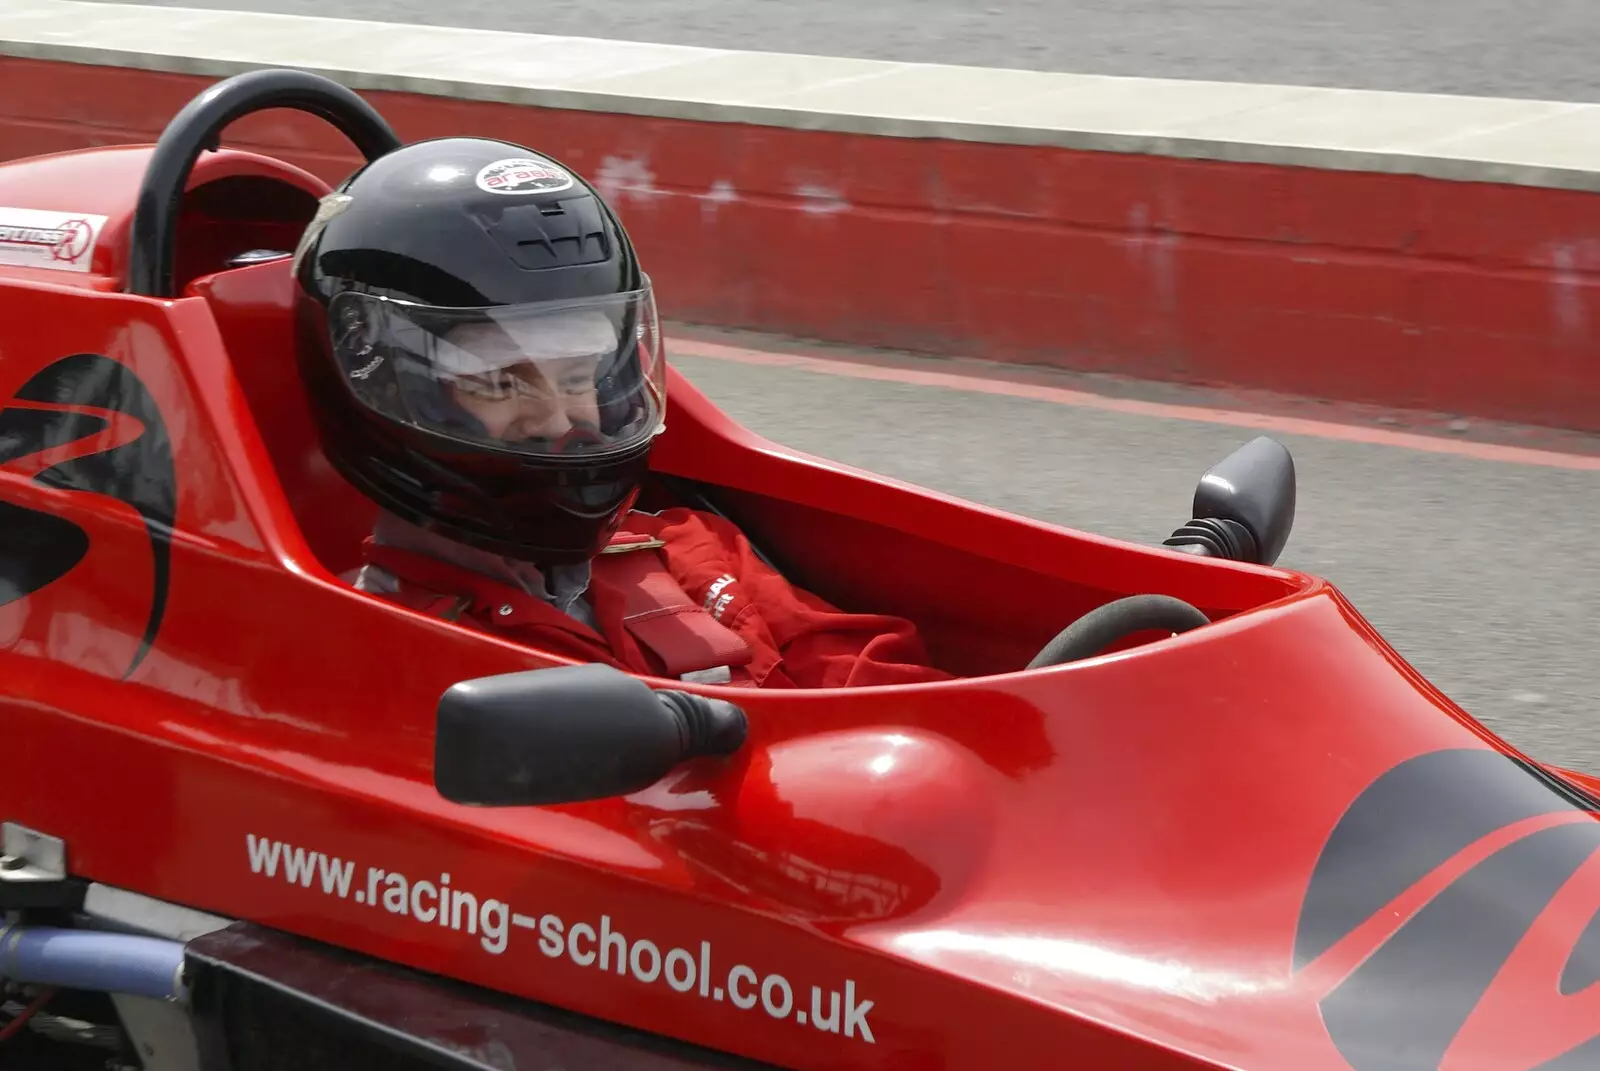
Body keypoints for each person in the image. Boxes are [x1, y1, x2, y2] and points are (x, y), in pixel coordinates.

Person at [290, 136, 954, 689]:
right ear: (391, 388)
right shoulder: (380, 644)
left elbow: (877, 684)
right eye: (499, 382)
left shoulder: (685, 544)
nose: (557, 419)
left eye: (578, 375)